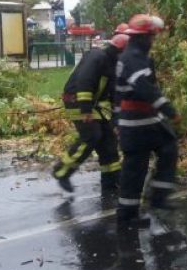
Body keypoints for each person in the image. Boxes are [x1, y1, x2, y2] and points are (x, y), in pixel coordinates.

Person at [116, 14, 181, 228]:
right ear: (143, 37)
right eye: (151, 37)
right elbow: (145, 88)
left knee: (162, 150)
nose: (153, 41)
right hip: (138, 123)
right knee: (138, 166)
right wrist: (168, 109)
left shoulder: (134, 56)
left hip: (142, 120)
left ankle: (149, 202)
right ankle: (139, 208)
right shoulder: (133, 57)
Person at [52, 33, 130, 193]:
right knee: (92, 136)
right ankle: (62, 171)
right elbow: (84, 81)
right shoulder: (97, 56)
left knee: (108, 140)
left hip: (94, 105)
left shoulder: (114, 65)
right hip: (77, 101)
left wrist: (116, 122)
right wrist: (86, 109)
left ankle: (111, 182)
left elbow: (115, 96)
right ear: (120, 50)